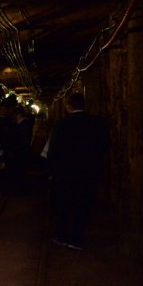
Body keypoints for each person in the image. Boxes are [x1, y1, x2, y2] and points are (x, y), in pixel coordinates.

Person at [46, 92, 110, 251]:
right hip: (89, 173)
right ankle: (76, 239)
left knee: (64, 204)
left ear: (68, 106)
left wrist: (50, 171)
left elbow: (53, 151)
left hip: (65, 174)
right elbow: (106, 147)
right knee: (83, 206)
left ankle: (62, 236)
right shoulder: (98, 123)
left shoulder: (61, 125)